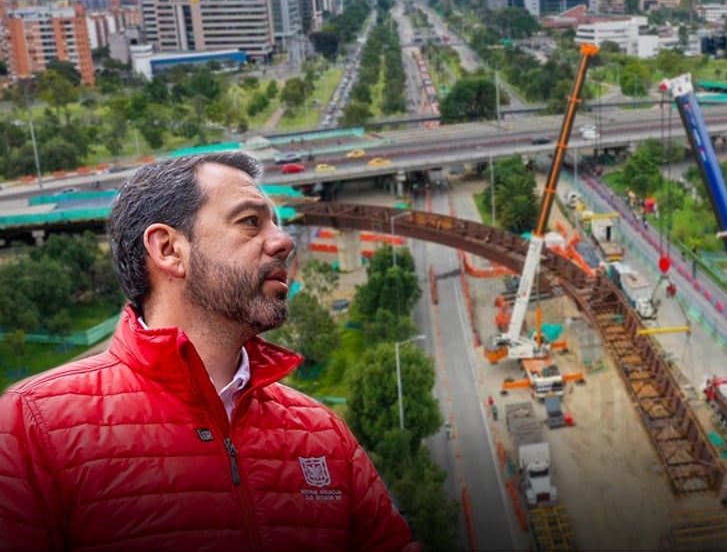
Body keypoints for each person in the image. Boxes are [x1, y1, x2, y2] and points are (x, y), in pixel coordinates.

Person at [0, 152, 419, 550]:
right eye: (250, 222)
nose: (284, 241)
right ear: (168, 250)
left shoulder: (322, 433)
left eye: (274, 223)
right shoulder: (31, 428)